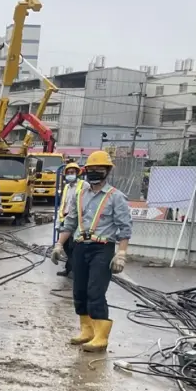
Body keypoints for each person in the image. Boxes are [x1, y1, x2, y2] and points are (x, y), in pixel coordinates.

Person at [51, 149, 133, 352]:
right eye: (91, 168)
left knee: (95, 291)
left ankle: (100, 336)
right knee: (79, 290)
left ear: (107, 171)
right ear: (85, 170)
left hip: (102, 248)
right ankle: (86, 331)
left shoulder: (116, 197)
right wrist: (59, 244)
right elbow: (70, 222)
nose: (95, 171)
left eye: (100, 168)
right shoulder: (80, 195)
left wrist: (121, 254)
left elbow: (125, 227)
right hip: (80, 246)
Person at [55, 161, 81, 278]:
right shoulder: (66, 187)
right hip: (65, 218)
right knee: (66, 246)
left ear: (77, 173)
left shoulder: (83, 185)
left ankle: (75, 270)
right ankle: (68, 269)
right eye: (68, 172)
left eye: (72, 172)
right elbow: (63, 203)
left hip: (76, 221)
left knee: (74, 247)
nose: (70, 174)